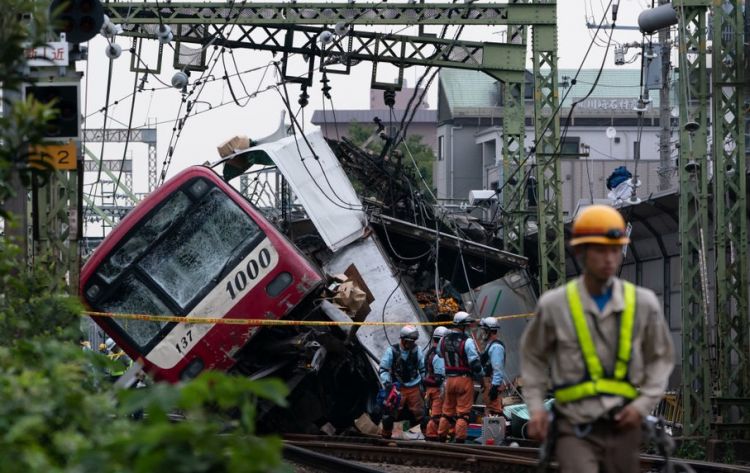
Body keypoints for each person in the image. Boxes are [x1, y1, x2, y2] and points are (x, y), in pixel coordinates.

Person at [520, 204, 675, 473]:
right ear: (581, 252)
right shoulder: (556, 305)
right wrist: (536, 409)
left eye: (615, 250)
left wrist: (642, 405)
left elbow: (662, 358)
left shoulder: (642, 303)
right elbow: (533, 358)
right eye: (600, 250)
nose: (609, 259)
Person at [437, 311, 483, 443]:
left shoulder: (442, 340)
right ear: (463, 326)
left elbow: (439, 354)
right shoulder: (467, 341)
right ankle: (459, 441)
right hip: (464, 380)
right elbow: (475, 364)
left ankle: (440, 438)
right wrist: (481, 379)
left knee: (447, 411)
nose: (468, 328)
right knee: (463, 414)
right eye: (467, 325)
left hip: (449, 380)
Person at [378, 324, 427, 439]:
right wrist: (388, 384)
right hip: (397, 387)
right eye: (409, 341)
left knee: (421, 413)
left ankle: (428, 436)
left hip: (414, 386)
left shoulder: (417, 350)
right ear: (403, 340)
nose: (411, 344)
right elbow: (383, 369)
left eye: (413, 341)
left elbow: (423, 368)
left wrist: (425, 384)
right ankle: (386, 436)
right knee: (389, 413)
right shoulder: (392, 351)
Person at [423, 326, 448, 442]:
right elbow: (439, 378)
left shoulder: (429, 352)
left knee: (434, 414)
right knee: (437, 416)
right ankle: (432, 436)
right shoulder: (438, 355)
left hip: (430, 389)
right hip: (437, 390)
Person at [479, 317, 506, 416]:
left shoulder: (496, 347)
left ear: (489, 331)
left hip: (492, 384)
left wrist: (494, 388)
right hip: (488, 383)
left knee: (494, 413)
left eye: (483, 330)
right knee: (489, 411)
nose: (482, 333)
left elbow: (497, 369)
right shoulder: (490, 345)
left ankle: (495, 431)